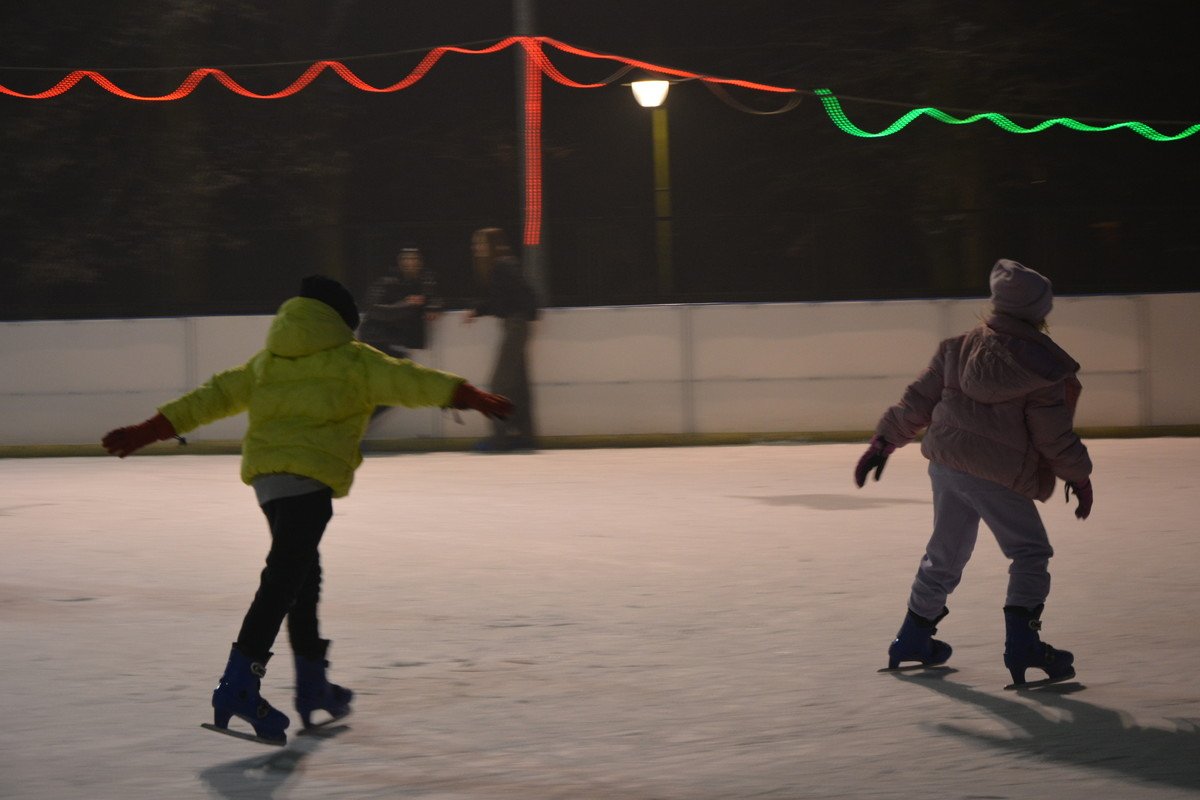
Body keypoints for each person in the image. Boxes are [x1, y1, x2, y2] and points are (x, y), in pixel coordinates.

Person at [101, 275, 512, 745]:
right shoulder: (353, 361)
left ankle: (313, 685)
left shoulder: (266, 363)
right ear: (340, 322)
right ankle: (239, 684)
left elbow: (211, 397)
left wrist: (145, 431)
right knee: (283, 578)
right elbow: (409, 381)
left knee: (301, 576)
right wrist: (468, 395)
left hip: (269, 483)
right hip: (310, 482)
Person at [855, 258, 1093, 688]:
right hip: (996, 473)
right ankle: (1023, 645)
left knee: (945, 551)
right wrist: (1079, 475)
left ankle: (912, 637)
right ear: (1040, 311)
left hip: (946, 464)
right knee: (1030, 552)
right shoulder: (1043, 368)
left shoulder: (957, 347)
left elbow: (916, 404)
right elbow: (1052, 436)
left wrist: (884, 441)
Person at [464, 227, 539, 451]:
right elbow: (501, 299)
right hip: (515, 324)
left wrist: (527, 316)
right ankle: (525, 435)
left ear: (492, 245)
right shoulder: (503, 265)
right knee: (517, 383)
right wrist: (477, 310)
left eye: (481, 243)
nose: (477, 248)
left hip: (515, 325)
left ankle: (500, 437)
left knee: (500, 382)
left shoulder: (503, 265)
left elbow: (525, 293)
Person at [357, 248, 444, 421]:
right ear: (399, 261)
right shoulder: (387, 282)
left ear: (421, 262)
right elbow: (373, 309)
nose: (410, 262)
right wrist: (406, 304)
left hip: (392, 344)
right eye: (406, 258)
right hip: (376, 342)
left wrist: (434, 306)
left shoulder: (425, 281)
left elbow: (434, 297)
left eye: (415, 258)